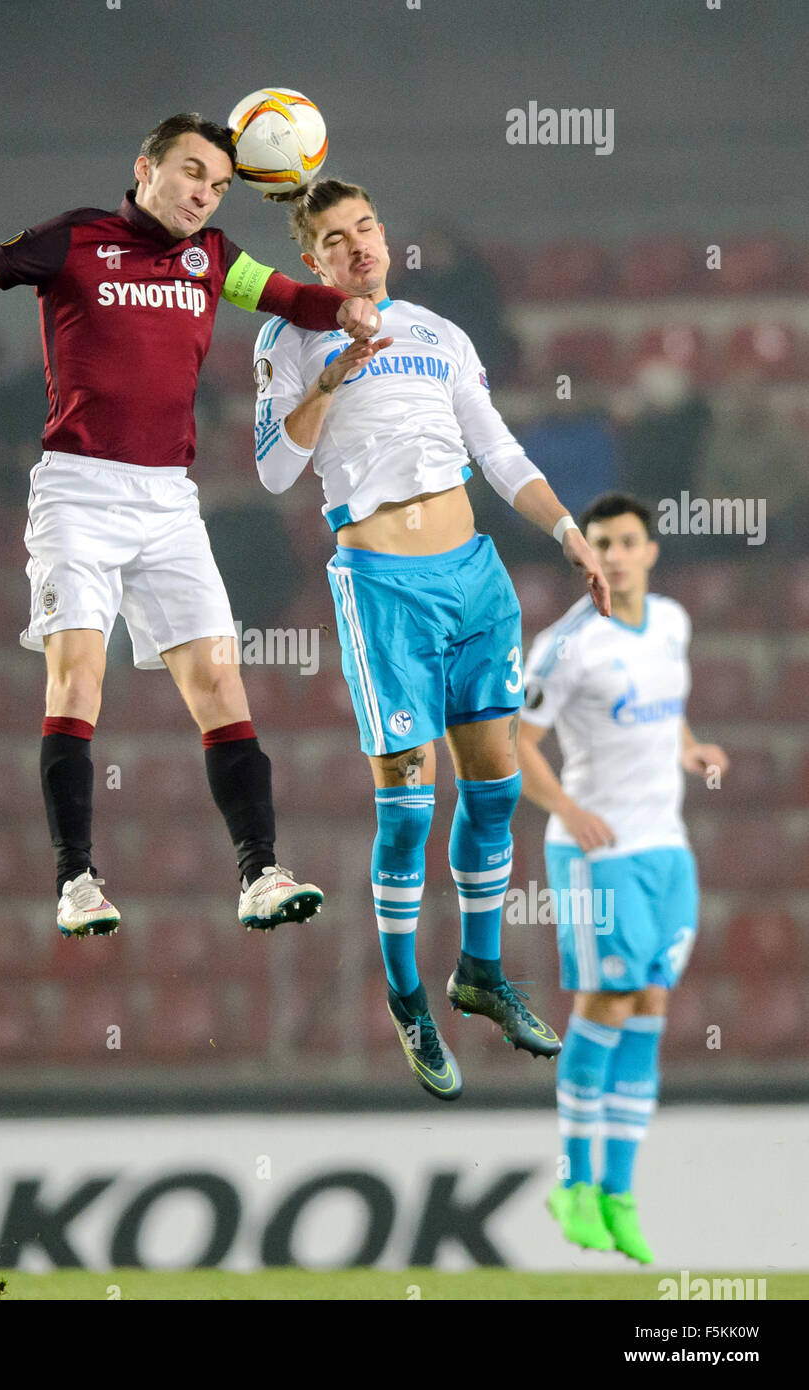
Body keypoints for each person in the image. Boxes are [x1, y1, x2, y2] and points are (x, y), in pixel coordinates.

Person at [0, 114, 382, 938]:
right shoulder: (74, 240)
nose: (203, 195)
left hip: (169, 501)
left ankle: (259, 872)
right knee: (78, 680)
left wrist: (345, 309)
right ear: (145, 166)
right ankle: (76, 879)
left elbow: (293, 297)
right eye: (190, 174)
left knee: (221, 685)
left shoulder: (211, 257)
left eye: (218, 185)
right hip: (78, 491)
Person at [252, 178, 610, 1100]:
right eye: (335, 238)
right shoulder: (290, 339)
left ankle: (479, 973)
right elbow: (274, 468)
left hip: (473, 577)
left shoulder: (438, 333)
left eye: (366, 227)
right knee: (408, 803)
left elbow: (496, 453)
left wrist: (568, 532)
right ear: (311, 261)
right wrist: (332, 373)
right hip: (382, 588)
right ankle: (408, 995)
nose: (359, 245)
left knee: (494, 789)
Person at [517, 493, 728, 1261]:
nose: (609, 554)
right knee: (603, 1001)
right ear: (586, 556)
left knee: (650, 1003)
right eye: (596, 542)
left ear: (649, 551)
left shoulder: (670, 623)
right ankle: (572, 1182)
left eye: (624, 541)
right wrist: (567, 811)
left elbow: (661, 708)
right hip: (597, 851)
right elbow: (517, 743)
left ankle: (618, 1192)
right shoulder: (564, 645)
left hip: (664, 848)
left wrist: (691, 747)